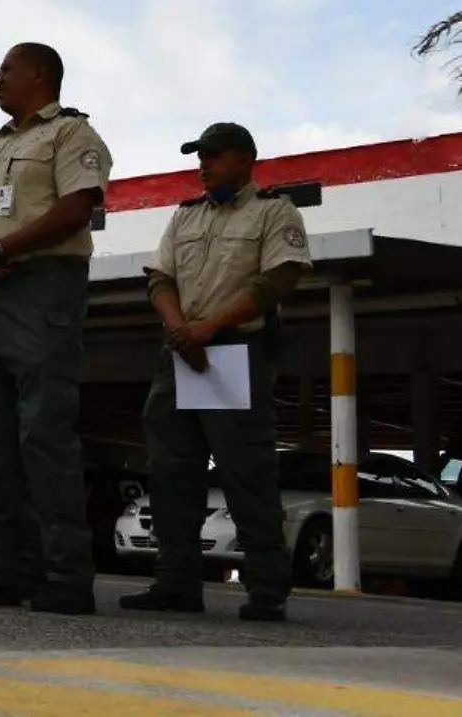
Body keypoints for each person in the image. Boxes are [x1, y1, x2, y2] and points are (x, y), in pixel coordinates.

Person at [0, 43, 111, 616]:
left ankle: (63, 573)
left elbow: (78, 205)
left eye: (6, 70)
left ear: (39, 74)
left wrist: (3, 248)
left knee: (44, 430)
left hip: (44, 287)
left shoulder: (70, 135)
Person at [123, 122, 309, 623]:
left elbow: (279, 279)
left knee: (245, 471)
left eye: (214, 155)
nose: (203, 165)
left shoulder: (274, 210)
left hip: (236, 349)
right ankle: (176, 582)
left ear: (246, 158)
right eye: (200, 156)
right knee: (170, 470)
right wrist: (182, 328)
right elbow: (160, 278)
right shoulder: (185, 217)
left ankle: (267, 588)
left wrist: (209, 328)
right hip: (182, 350)